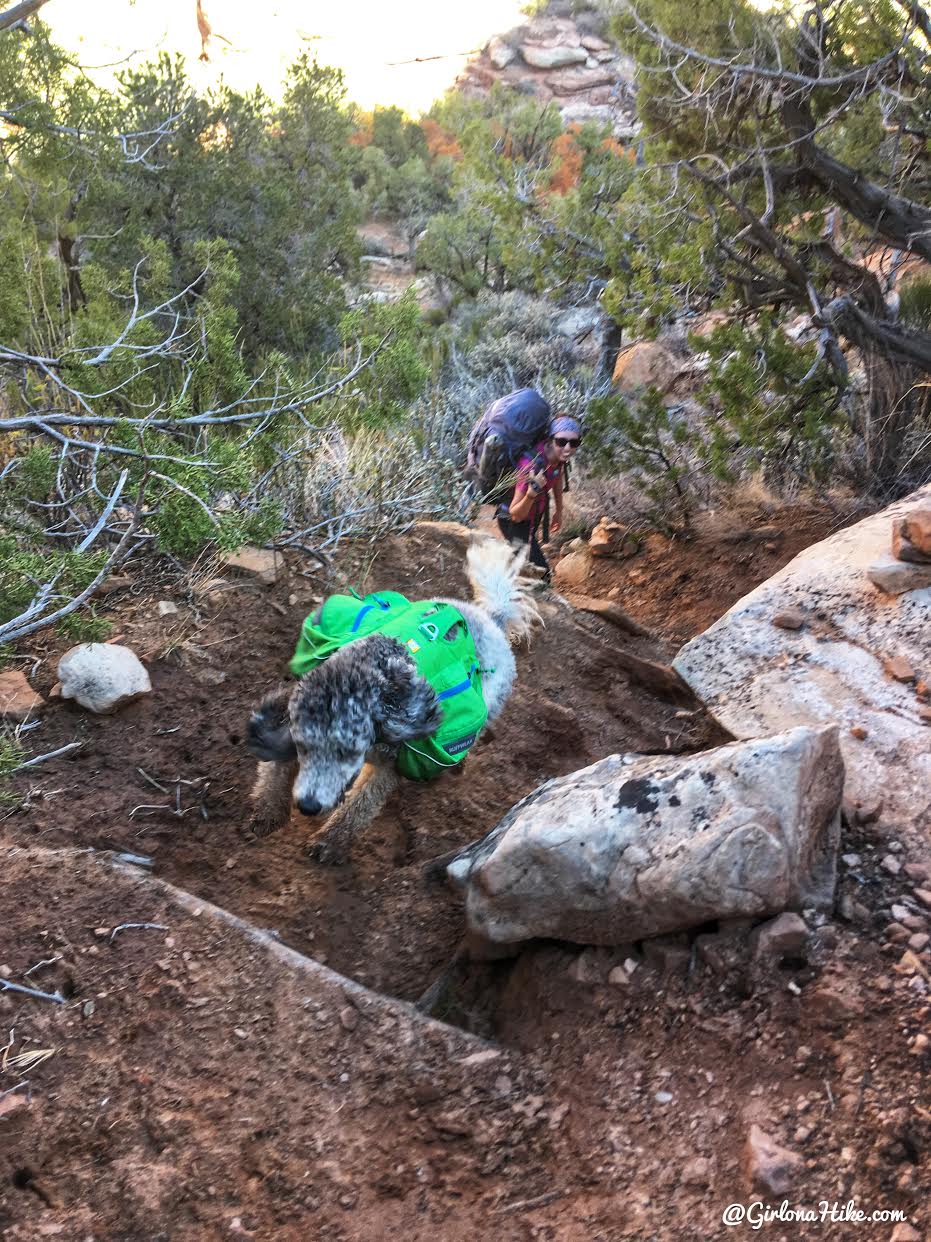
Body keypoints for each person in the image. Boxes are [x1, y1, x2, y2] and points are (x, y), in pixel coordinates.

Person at [496, 414, 582, 576]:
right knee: (541, 575)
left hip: (531, 519)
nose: (568, 448)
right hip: (513, 522)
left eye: (574, 442)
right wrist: (531, 494)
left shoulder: (558, 457)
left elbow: (557, 476)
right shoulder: (531, 467)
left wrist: (559, 510)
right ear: (551, 439)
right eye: (562, 441)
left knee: (523, 568)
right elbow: (515, 514)